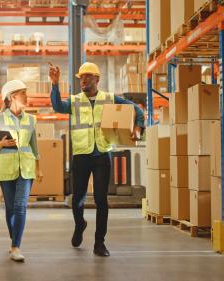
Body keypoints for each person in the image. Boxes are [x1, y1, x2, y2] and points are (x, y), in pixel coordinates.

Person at [49, 62, 145, 257]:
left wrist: (138, 128)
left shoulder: (109, 99)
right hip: (81, 155)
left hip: (102, 154)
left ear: (97, 79)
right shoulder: (75, 101)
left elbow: (138, 109)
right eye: (81, 77)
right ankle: (80, 225)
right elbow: (57, 106)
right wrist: (55, 84)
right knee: (78, 199)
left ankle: (99, 243)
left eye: (87, 76)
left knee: (101, 200)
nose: (83, 80)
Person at [0, 80, 42, 262]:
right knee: (10, 209)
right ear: (13, 97)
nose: (27, 97)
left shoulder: (31, 119)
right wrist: (1, 143)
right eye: (23, 93)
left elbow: (34, 147)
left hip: (26, 169)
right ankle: (14, 241)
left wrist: (39, 168)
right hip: (6, 169)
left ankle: (15, 246)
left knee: (21, 206)